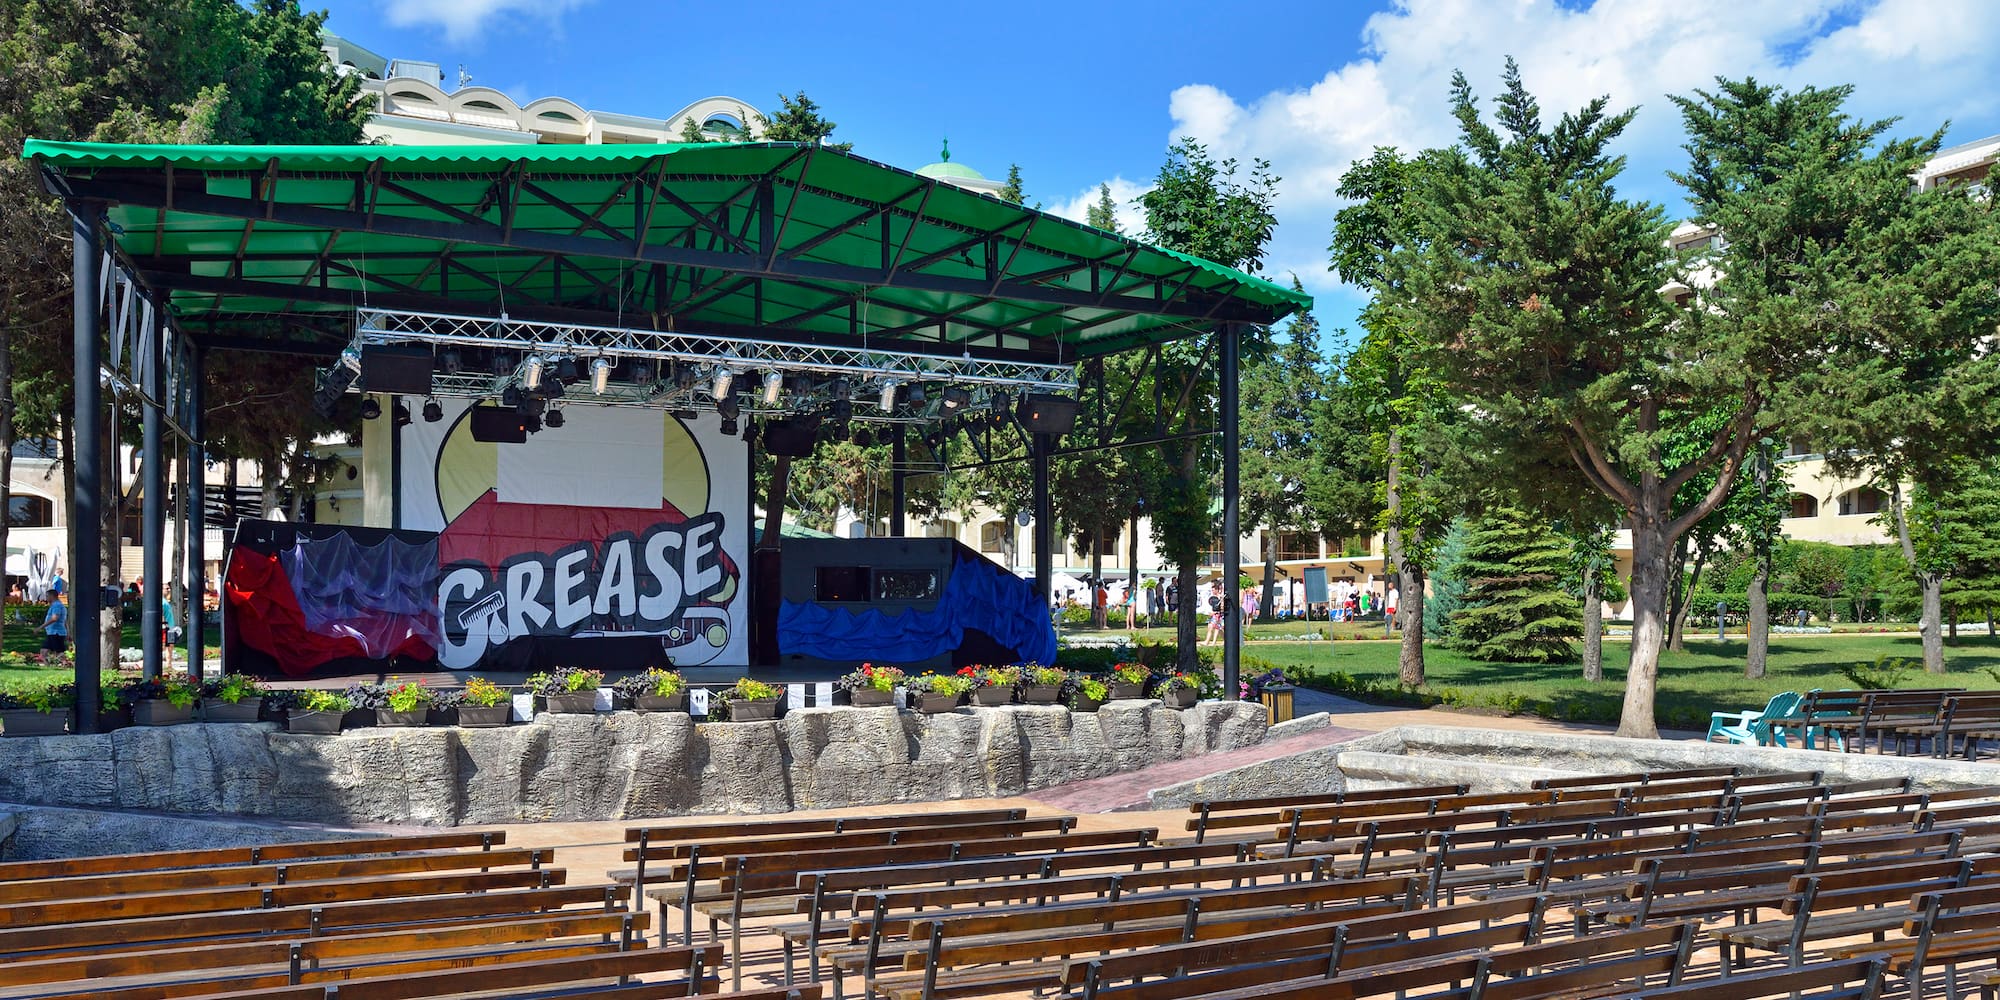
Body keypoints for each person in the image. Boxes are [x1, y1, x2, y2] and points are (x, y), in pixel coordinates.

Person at [36, 592, 67, 663]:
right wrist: (67, 631)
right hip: (52, 632)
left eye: (47, 596)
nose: (46, 598)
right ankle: (47, 666)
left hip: (56, 632)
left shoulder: (57, 606)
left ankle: (65, 664)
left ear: (52, 596)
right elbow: (65, 621)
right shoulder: (56, 605)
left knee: (59, 652)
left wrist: (40, 627)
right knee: (43, 651)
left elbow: (55, 618)